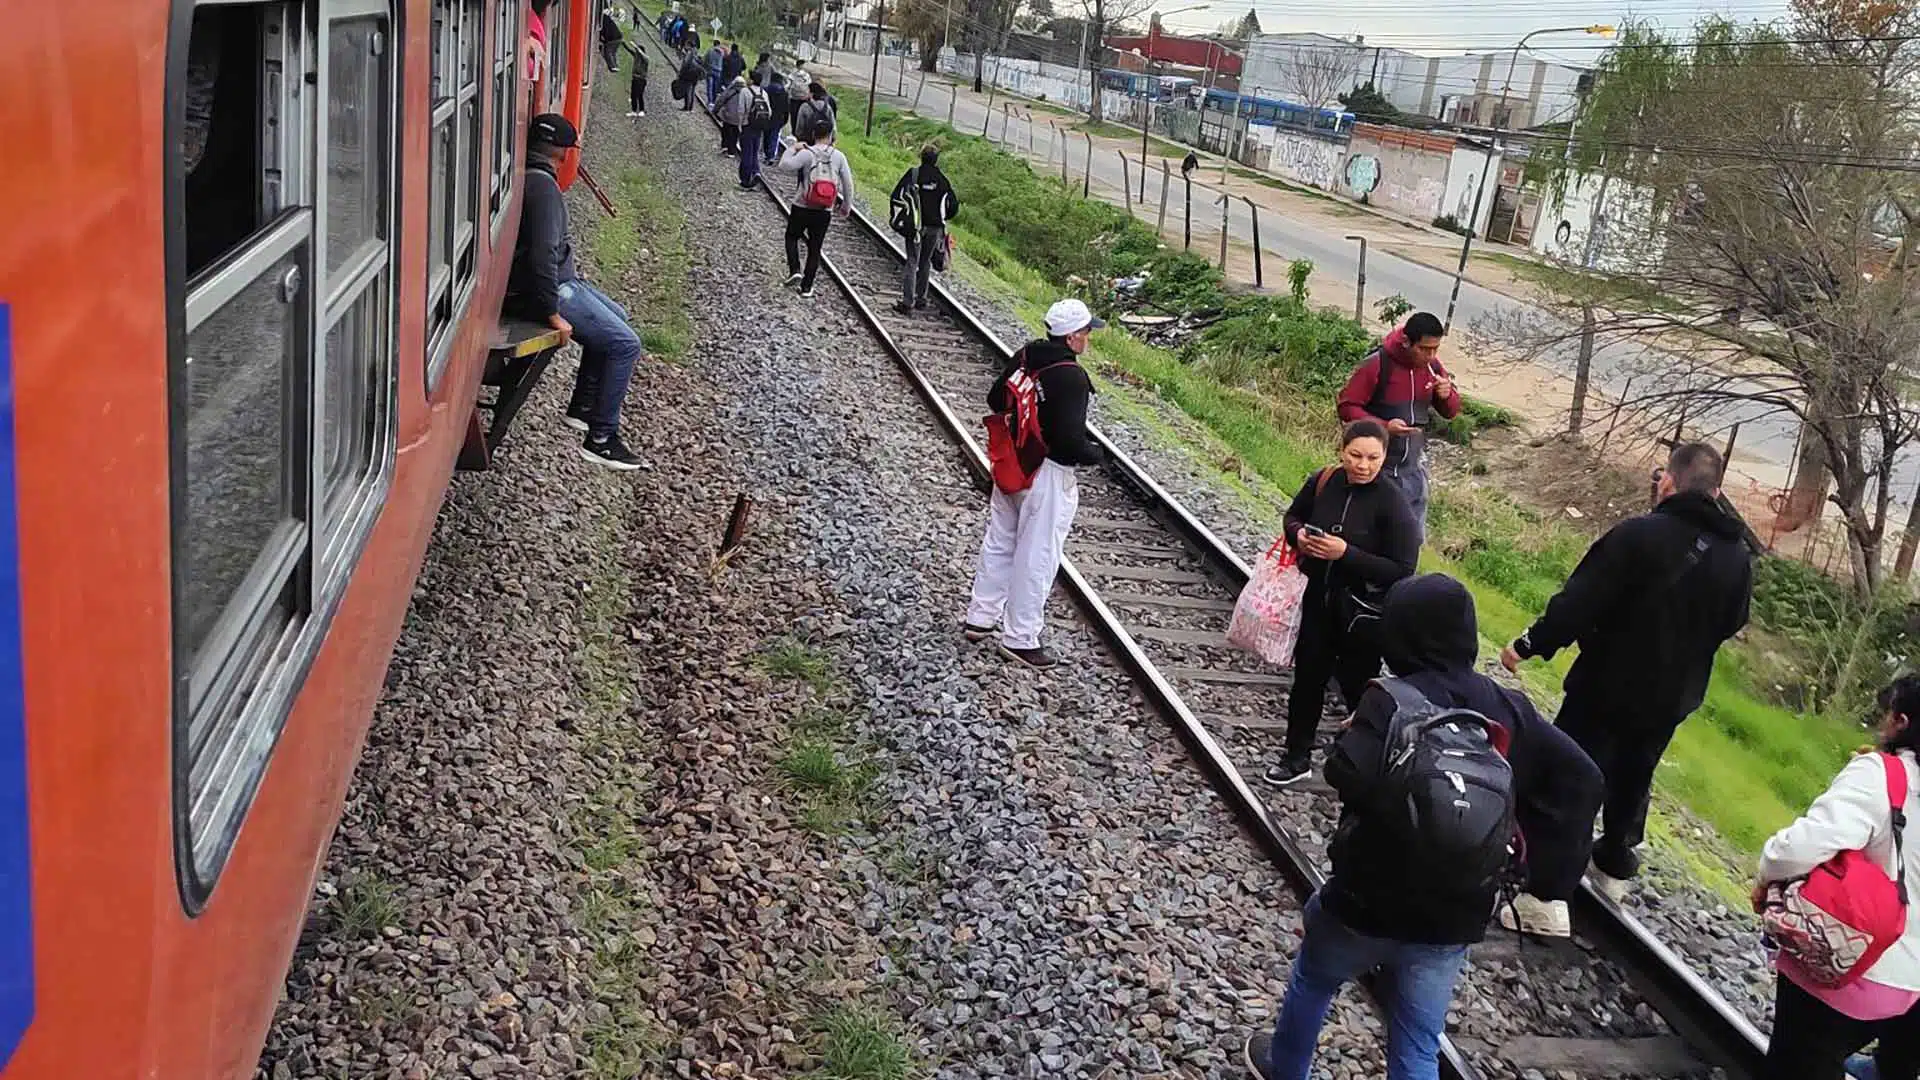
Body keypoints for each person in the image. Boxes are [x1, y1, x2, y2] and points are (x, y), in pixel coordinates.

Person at [1244, 573, 1603, 1079]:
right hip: (1454, 915)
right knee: (1416, 1040)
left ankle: (1284, 1068)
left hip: (1365, 902)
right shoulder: (1511, 708)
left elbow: (1342, 772)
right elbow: (1585, 780)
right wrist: (1542, 879)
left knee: (1315, 977)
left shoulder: (1389, 698)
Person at [1501, 441, 1753, 897]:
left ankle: (1545, 890)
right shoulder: (1737, 558)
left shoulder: (1637, 534)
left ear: (1669, 482)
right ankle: (1615, 863)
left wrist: (1529, 645)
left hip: (1607, 683)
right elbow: (1733, 621)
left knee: (1572, 773)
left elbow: (1578, 602)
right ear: (1716, 493)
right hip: (1674, 694)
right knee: (1636, 772)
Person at [1752, 675, 1920, 1080]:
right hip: (1909, 989)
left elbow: (1799, 848)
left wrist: (1765, 876)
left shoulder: (1882, 775)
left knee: (1797, 1065)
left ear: (1901, 722)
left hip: (1851, 968)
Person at [1262, 419, 1420, 787]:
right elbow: (1292, 516)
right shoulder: (1325, 481)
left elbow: (1402, 568)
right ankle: (1296, 755)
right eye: (1355, 455)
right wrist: (1298, 535)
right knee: (1307, 681)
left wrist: (1346, 553)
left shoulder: (1393, 502)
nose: (1363, 465)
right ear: (1342, 451)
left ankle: (1363, 764)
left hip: (1362, 615)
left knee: (1360, 691)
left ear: (1384, 457)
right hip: (1317, 599)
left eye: (1372, 458)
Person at [962, 299, 1107, 669]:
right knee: (1037, 555)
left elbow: (996, 398)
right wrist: (1097, 455)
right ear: (1072, 336)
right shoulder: (1070, 376)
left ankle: (980, 616)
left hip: (1012, 464)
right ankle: (1021, 637)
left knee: (1000, 540)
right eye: (1087, 331)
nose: (1089, 337)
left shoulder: (1027, 355)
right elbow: (1067, 442)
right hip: (1047, 476)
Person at [505, 114, 648, 471]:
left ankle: (582, 407)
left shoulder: (532, 177)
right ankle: (601, 438)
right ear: (565, 155)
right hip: (552, 289)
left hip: (560, 282)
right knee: (626, 344)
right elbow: (542, 257)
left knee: (619, 315)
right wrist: (552, 312)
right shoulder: (544, 189)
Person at [1335, 311, 1460, 533]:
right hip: (1377, 467)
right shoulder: (1378, 364)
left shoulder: (1434, 368)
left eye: (1435, 349)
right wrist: (1384, 427)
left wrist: (1446, 394)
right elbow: (1347, 407)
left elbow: (1451, 412)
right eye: (1424, 349)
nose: (1430, 355)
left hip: (1413, 467)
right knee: (1373, 534)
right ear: (1406, 342)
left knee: (1412, 538)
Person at [775, 120, 855, 297]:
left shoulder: (806, 153)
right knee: (815, 247)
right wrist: (846, 206)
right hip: (824, 209)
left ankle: (795, 269)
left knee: (792, 236)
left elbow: (784, 166)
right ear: (831, 136)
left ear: (813, 135)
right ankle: (806, 287)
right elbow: (848, 184)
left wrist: (793, 148)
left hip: (802, 205)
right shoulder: (839, 157)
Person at [888, 145, 960, 314]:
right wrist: (943, 218)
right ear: (936, 160)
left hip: (916, 227)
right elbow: (953, 205)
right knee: (925, 261)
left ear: (921, 157)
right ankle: (922, 298)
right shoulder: (942, 180)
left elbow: (896, 196)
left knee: (912, 261)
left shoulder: (914, 175)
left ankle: (907, 302)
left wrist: (900, 219)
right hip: (935, 228)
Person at [734, 73, 773, 190]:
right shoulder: (763, 93)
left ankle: (745, 180)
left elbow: (741, 110)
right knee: (754, 152)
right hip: (759, 127)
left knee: (746, 152)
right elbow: (769, 112)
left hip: (747, 125)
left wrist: (740, 124)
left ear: (751, 80)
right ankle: (756, 172)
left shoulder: (745, 92)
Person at [762, 71, 792, 166]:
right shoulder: (784, 93)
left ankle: (767, 153)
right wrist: (785, 119)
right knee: (774, 136)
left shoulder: (765, 90)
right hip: (778, 118)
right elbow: (786, 108)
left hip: (767, 116)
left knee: (766, 136)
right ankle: (771, 156)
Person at [716, 74, 749, 158]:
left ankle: (724, 146)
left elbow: (721, 100)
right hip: (739, 118)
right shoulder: (746, 92)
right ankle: (731, 151)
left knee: (725, 131)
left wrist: (715, 110)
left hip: (728, 116)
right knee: (735, 134)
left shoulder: (730, 89)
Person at [677, 44, 703, 111]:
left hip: (688, 75)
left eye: (686, 45)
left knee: (687, 91)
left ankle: (687, 107)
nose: (685, 46)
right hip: (695, 76)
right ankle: (690, 107)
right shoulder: (697, 53)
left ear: (689, 45)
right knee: (692, 91)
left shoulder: (690, 53)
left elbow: (685, 64)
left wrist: (680, 74)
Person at [597, 8, 622, 74]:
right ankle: (615, 65)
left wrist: (602, 39)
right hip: (617, 37)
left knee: (607, 51)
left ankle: (612, 67)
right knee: (612, 53)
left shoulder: (604, 20)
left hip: (614, 38)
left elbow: (604, 31)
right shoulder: (605, 19)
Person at [627, 45, 648, 117]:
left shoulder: (645, 59)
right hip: (635, 78)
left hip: (641, 80)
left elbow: (645, 57)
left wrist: (639, 50)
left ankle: (642, 110)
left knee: (639, 95)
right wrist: (624, 44)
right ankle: (634, 110)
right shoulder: (636, 57)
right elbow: (629, 50)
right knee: (633, 95)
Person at [705, 40, 725, 107]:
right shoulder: (722, 52)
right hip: (718, 71)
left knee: (710, 86)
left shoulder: (710, 51)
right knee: (715, 87)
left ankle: (710, 101)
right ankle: (714, 101)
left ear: (714, 44)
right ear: (719, 45)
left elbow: (705, 59)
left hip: (710, 70)